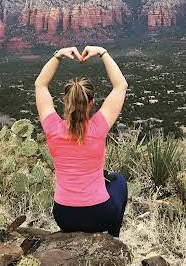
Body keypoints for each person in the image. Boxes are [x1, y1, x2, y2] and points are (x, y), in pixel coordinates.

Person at [34, 45, 128, 237]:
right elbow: (121, 85)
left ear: (64, 101)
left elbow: (40, 85)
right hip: (98, 215)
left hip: (64, 216)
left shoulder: (52, 128)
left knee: (108, 178)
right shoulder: (98, 127)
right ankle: (113, 238)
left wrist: (58, 55)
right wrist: (103, 52)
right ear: (91, 103)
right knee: (118, 180)